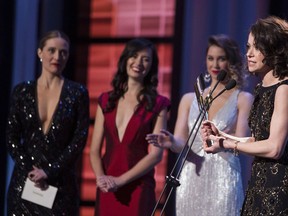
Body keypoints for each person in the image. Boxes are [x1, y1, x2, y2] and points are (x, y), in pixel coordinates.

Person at [146, 34, 254, 216]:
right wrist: (171, 141)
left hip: (223, 177)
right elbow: (181, 143)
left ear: (231, 61)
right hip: (191, 178)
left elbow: (243, 144)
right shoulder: (189, 99)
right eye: (211, 58)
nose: (215, 65)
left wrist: (224, 137)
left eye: (222, 58)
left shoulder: (243, 99)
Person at [201, 16, 288, 215]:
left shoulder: (284, 89)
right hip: (259, 183)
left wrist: (229, 145)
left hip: (279, 188)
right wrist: (222, 137)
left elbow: (274, 147)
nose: (248, 54)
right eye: (248, 47)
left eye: (256, 48)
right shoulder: (262, 89)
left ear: (274, 49)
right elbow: (257, 140)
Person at [6, 30, 89, 215]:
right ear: (40, 53)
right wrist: (30, 170)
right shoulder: (22, 92)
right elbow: (11, 137)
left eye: (63, 52)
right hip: (25, 183)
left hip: (61, 185)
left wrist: (50, 171)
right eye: (51, 50)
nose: (57, 57)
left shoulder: (77, 93)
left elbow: (79, 139)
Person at [89, 38, 170, 216]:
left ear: (151, 66)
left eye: (145, 59)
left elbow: (156, 156)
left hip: (138, 187)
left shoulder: (158, 104)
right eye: (134, 56)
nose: (138, 63)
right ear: (125, 59)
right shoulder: (106, 100)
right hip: (107, 186)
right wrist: (101, 177)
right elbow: (94, 150)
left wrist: (120, 181)